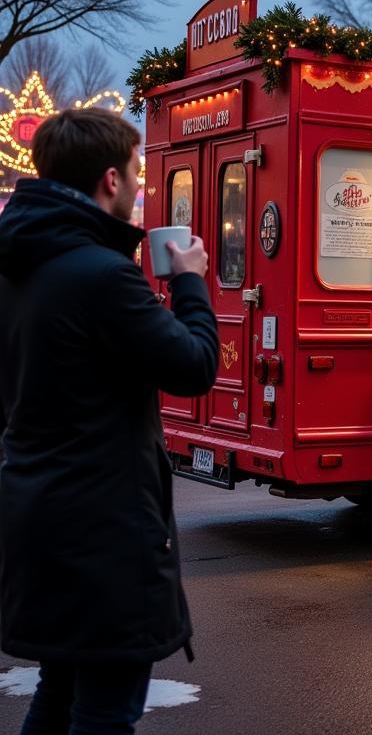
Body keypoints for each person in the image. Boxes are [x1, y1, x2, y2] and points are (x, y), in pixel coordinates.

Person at [0, 108, 219, 735]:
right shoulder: (101, 275)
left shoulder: (17, 266)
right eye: (135, 173)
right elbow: (195, 366)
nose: (139, 186)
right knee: (105, 711)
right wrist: (191, 283)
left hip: (36, 511)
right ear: (109, 182)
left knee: (60, 688)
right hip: (104, 527)